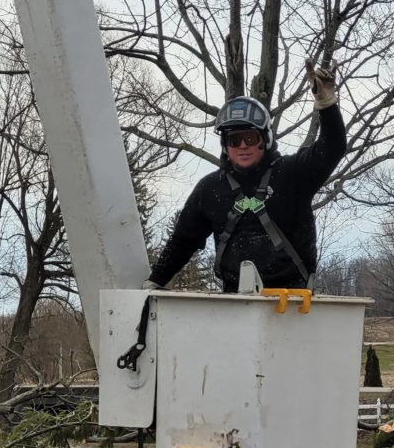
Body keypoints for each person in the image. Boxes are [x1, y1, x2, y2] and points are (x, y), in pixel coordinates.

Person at [144, 60, 346, 292]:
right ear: (225, 146)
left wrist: (327, 104)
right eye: (234, 140)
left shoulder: (293, 174)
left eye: (249, 139)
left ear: (265, 140)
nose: (242, 146)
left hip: (293, 303)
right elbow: (182, 241)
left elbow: (332, 148)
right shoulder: (210, 188)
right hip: (234, 303)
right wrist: (155, 280)